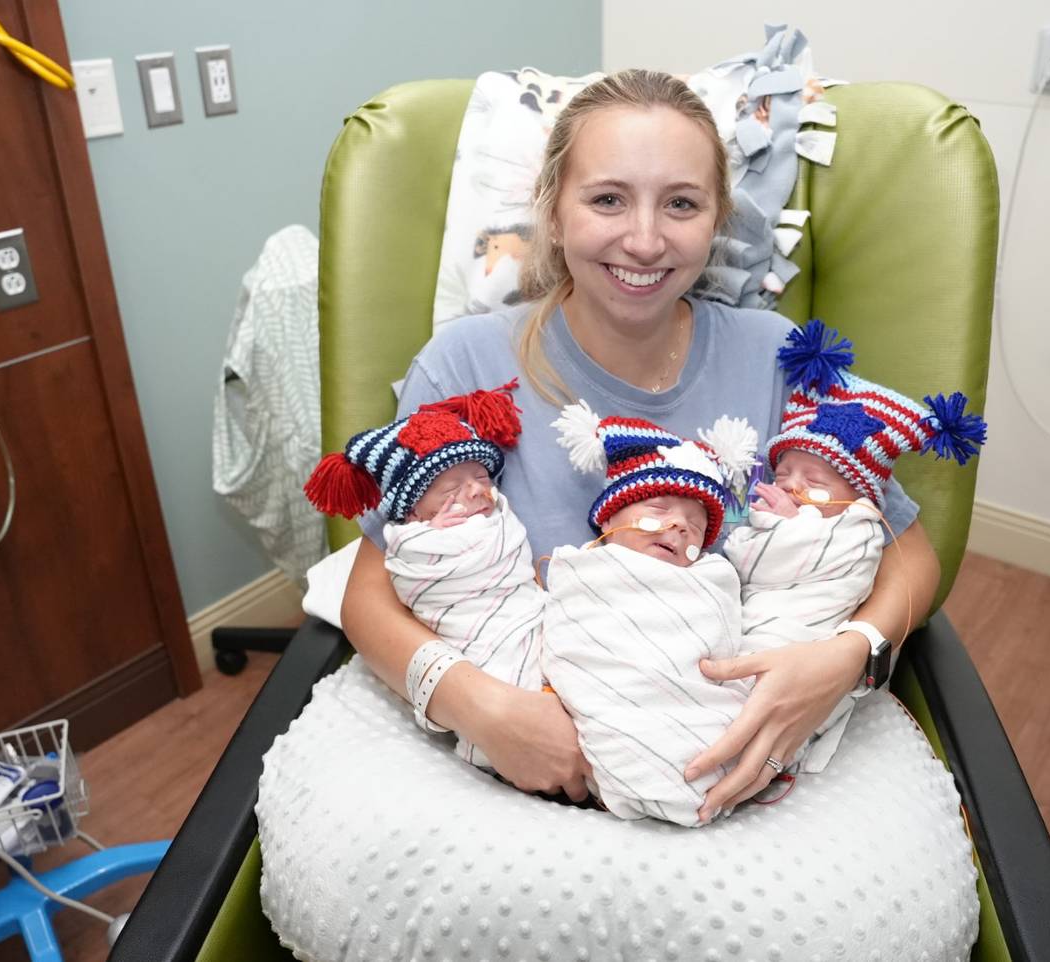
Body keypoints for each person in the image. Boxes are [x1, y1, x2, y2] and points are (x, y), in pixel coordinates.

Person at [344, 67, 943, 826]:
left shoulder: (778, 356)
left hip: (739, 768)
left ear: (718, 219)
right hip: (524, 768)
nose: (646, 239)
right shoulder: (464, 365)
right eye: (607, 199)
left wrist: (848, 656)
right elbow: (367, 594)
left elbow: (910, 556)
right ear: (553, 213)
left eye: (682, 204)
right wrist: (484, 708)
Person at [723, 318, 988, 774]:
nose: (790, 488)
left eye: (815, 483)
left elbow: (896, 558)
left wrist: (847, 655)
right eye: (782, 474)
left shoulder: (857, 523)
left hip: (798, 652)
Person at [307, 382, 545, 768]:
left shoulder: (496, 513)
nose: (475, 491)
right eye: (451, 487)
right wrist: (441, 538)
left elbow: (510, 544)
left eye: (482, 477)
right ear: (414, 513)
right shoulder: (415, 538)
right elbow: (412, 572)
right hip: (480, 650)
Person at [540, 404, 758, 825]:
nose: (678, 526)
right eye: (657, 509)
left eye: (694, 526)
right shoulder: (585, 571)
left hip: (695, 725)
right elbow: (566, 645)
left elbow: (724, 642)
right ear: (609, 517)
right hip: (598, 735)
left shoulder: (709, 578)